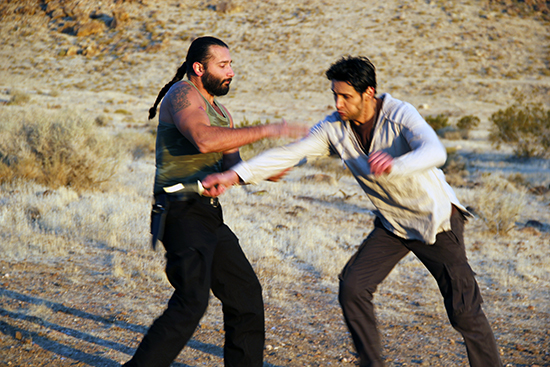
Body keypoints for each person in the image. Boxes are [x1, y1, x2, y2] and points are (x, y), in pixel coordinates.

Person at [202, 56, 503, 367]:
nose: (338, 103)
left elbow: (435, 152)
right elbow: (292, 152)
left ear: (368, 93)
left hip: (436, 221)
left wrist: (395, 165)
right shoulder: (334, 128)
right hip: (394, 224)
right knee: (353, 287)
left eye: (346, 96)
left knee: (464, 312)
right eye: (335, 94)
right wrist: (234, 175)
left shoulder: (400, 115)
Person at [122, 36, 307, 367]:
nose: (231, 71)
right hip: (179, 211)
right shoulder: (182, 94)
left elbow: (233, 169)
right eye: (223, 65)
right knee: (192, 300)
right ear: (198, 67)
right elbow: (204, 140)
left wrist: (269, 169)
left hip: (209, 217)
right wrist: (268, 129)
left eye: (231, 64)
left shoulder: (223, 113)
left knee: (246, 296)